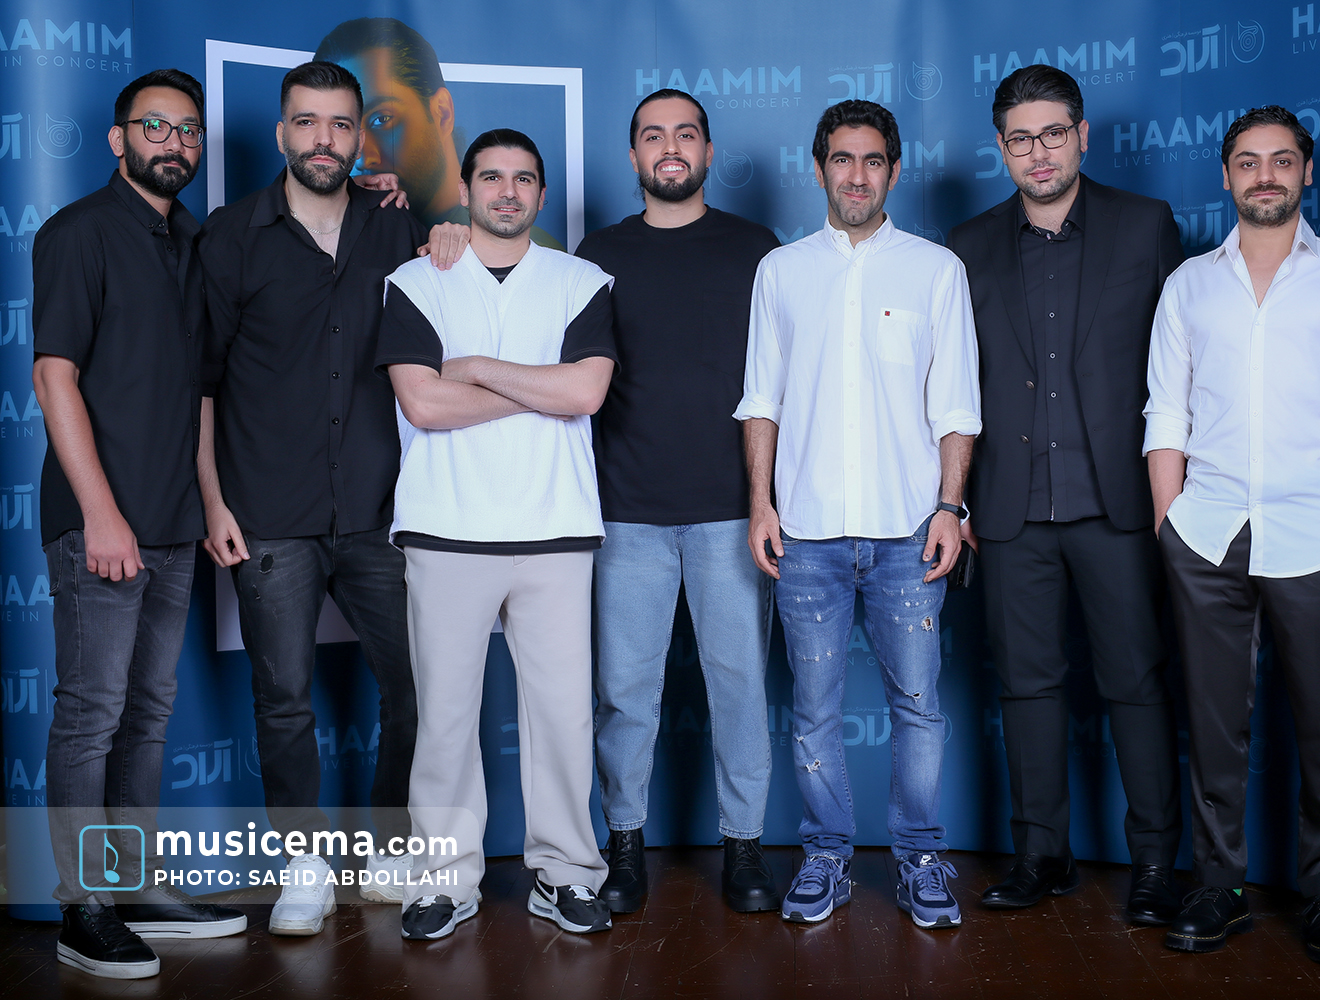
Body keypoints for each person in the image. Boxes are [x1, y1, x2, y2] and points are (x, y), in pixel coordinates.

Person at [1144, 105, 1320, 963]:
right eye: (1249, 162)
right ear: (1226, 176)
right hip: (1206, 533)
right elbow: (1166, 413)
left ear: (1306, 172)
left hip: (1318, 537)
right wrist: (1168, 527)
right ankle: (1217, 887)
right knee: (1213, 723)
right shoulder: (1188, 285)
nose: (1266, 175)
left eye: (1282, 160)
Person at [947, 64, 1185, 925]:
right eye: (1020, 139)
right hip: (1011, 512)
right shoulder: (966, 245)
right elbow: (952, 387)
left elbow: (1186, 366)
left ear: (1082, 136)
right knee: (1026, 689)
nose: (1038, 153)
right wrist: (958, 500)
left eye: (1053, 134)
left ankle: (1155, 862)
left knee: (1137, 685)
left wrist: (1178, 494)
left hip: (1122, 506)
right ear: (1001, 148)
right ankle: (1040, 854)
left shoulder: (1145, 225)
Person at [195, 61, 429, 935]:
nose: (324, 140)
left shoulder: (395, 223)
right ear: (283, 131)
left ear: (359, 134)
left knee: (418, 685)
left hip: (381, 511)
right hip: (267, 512)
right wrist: (214, 501)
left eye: (340, 124)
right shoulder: (230, 236)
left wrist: (444, 231)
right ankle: (304, 864)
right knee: (283, 698)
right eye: (307, 123)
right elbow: (201, 382)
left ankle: (393, 848)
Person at [735, 100, 981, 929]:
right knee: (813, 712)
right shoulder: (781, 271)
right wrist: (761, 504)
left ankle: (921, 859)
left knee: (919, 708)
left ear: (894, 171)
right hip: (805, 534)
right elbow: (762, 399)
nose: (856, 175)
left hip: (910, 530)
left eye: (873, 160)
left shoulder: (936, 270)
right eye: (842, 159)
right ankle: (826, 858)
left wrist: (949, 506)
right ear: (819, 169)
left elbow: (956, 405)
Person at [377, 128, 618, 939]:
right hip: (446, 529)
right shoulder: (416, 280)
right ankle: (444, 881)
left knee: (562, 720)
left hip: (556, 529)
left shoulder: (582, 281)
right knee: (445, 721)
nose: (507, 192)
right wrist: (539, 389)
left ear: (541, 195)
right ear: (466, 189)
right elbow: (423, 404)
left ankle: (567, 874)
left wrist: (475, 366)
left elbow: (585, 394)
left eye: (523, 180)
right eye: (492, 177)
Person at [33, 68, 245, 980]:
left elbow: (198, 394)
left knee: (147, 715)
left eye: (189, 130)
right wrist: (101, 514)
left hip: (170, 522)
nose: (175, 143)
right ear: (120, 139)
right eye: (155, 126)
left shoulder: (193, 241)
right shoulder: (78, 232)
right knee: (92, 715)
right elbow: (54, 376)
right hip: (103, 525)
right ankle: (83, 908)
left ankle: (134, 885)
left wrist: (209, 501)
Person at [576, 89, 781, 916]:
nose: (670, 147)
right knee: (625, 695)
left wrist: (767, 499)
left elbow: (781, 382)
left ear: (707, 151)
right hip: (627, 511)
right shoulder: (597, 253)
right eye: (653, 136)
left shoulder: (756, 249)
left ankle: (745, 847)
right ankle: (624, 845)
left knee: (740, 688)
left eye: (685, 134)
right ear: (633, 155)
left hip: (734, 511)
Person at [314, 17, 563, 248]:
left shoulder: (524, 249)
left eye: (382, 119)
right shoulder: (352, 232)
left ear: (442, 113)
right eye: (343, 126)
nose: (363, 158)